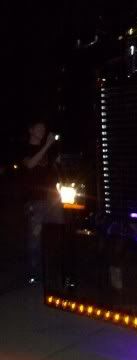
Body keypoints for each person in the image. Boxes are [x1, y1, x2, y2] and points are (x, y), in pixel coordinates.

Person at [21, 120, 62, 283]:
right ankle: (34, 274)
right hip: (35, 202)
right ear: (31, 130)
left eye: (44, 128)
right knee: (35, 239)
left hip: (53, 200)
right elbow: (30, 164)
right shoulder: (25, 148)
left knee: (56, 235)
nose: (42, 130)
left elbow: (55, 171)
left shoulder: (48, 150)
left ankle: (54, 272)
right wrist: (47, 145)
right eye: (39, 128)